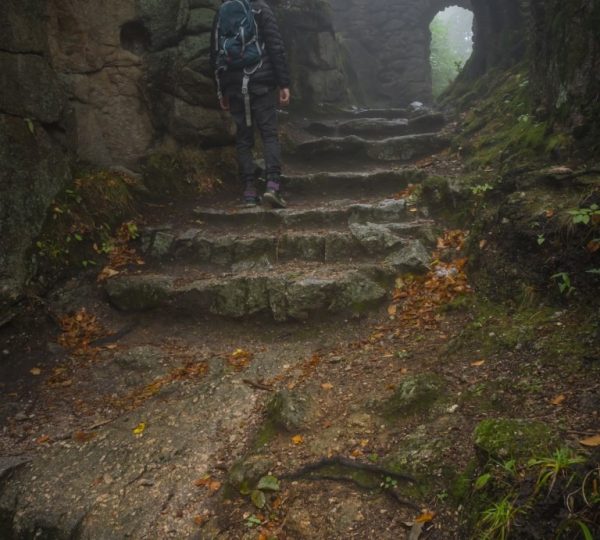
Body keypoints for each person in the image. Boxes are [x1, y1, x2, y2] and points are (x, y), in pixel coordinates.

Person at [210, 0, 291, 208]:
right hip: (261, 83)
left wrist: (221, 90)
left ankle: (248, 191)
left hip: (234, 86)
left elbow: (215, 53)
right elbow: (275, 46)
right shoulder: (260, 8)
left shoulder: (222, 11)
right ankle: (273, 186)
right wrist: (283, 83)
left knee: (243, 138)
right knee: (269, 134)